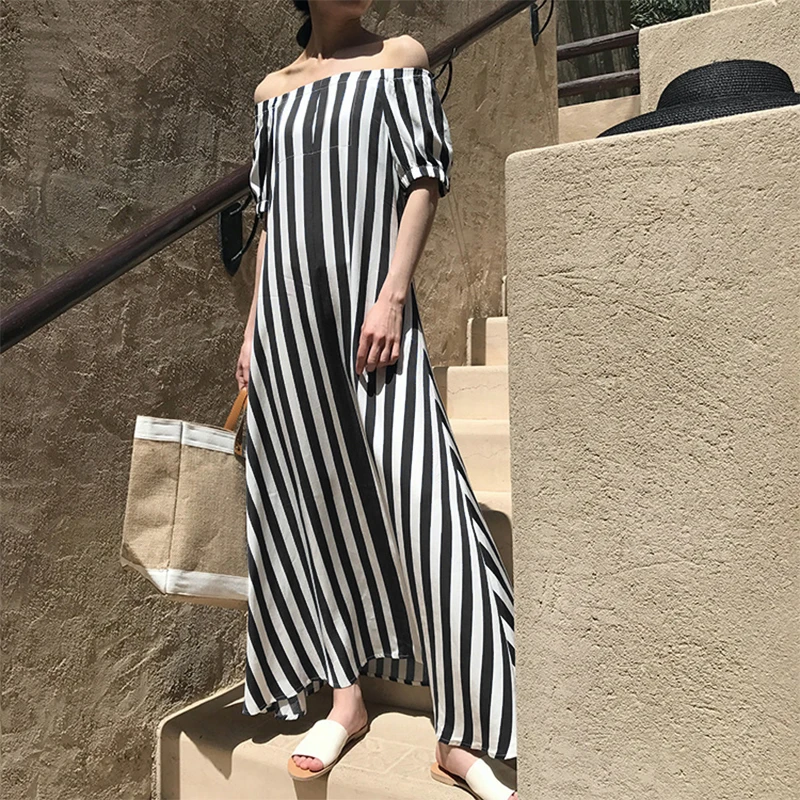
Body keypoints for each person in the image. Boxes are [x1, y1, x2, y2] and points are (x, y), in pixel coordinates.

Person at [235, 2, 517, 798]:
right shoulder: (271, 92)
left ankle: (462, 735)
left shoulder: (400, 58)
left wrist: (392, 296)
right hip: (287, 330)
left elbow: (423, 178)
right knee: (310, 502)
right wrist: (253, 328)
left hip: (373, 320)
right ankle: (344, 698)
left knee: (430, 508)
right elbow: (270, 219)